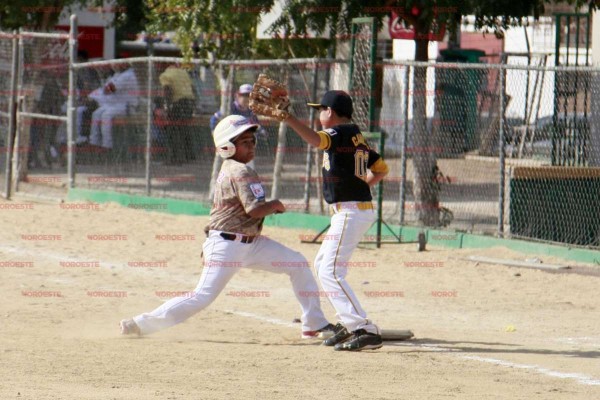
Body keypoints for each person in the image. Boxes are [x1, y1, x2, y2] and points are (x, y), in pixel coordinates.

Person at [120, 115, 335, 340]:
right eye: (244, 142)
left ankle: (314, 324)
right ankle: (140, 323)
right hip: (228, 245)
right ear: (227, 147)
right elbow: (254, 210)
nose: (251, 146)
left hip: (249, 244)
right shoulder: (240, 171)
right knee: (202, 295)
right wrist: (276, 205)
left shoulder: (234, 167)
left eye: (253, 141)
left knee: (297, 263)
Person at [284, 90, 390, 351]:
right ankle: (348, 322)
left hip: (351, 211)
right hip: (351, 210)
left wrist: (289, 118)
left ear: (330, 112)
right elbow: (381, 168)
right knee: (322, 265)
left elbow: (316, 140)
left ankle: (363, 328)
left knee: (331, 271)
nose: (319, 114)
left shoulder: (338, 133)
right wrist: (362, 186)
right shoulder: (355, 135)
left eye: (320, 110)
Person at [88, 62, 140, 151]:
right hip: (117, 104)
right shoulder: (118, 75)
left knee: (106, 115)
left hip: (128, 106)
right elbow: (104, 89)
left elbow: (110, 89)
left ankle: (107, 146)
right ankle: (94, 142)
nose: (116, 66)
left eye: (119, 64)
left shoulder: (128, 75)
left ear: (125, 65)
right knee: (96, 114)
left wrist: (107, 89)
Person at [159, 65, 196, 164]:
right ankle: (189, 156)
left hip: (177, 104)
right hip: (189, 103)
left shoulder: (165, 75)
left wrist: (167, 106)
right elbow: (193, 88)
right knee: (184, 129)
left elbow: (167, 89)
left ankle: (174, 158)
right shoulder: (184, 73)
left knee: (172, 131)